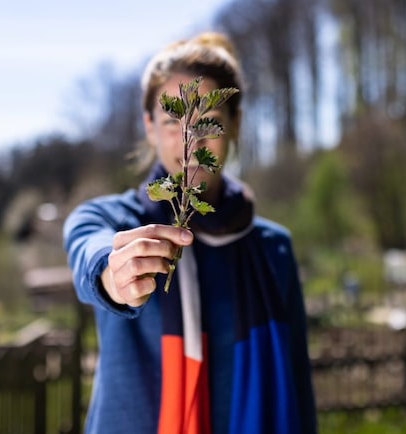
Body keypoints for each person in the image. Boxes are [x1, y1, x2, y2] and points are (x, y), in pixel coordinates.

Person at [63, 31, 317, 434]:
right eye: (172, 122)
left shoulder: (273, 250)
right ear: (148, 126)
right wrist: (116, 275)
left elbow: (298, 387)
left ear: (236, 125)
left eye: (210, 122)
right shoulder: (111, 220)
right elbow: (89, 252)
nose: (190, 140)